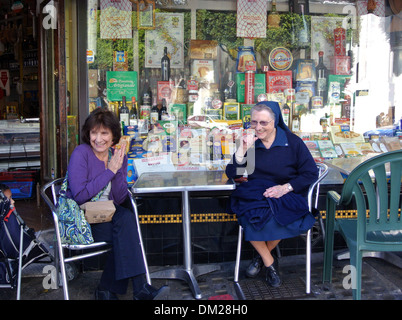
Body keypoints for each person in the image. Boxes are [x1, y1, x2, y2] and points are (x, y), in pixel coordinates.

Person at [65, 108, 169, 300]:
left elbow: (119, 198)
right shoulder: (82, 153)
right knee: (126, 229)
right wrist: (110, 171)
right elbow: (80, 196)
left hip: (107, 214)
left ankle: (111, 290)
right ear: (88, 134)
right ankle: (137, 290)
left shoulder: (117, 155)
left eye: (104, 133)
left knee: (126, 222)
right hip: (82, 219)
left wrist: (119, 168)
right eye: (94, 132)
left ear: (113, 136)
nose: (98, 138)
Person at [225, 101, 318, 287]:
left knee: (284, 215)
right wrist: (242, 150)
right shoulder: (249, 143)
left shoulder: (292, 142)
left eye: (263, 123)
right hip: (255, 193)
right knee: (252, 216)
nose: (258, 128)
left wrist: (285, 188)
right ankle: (270, 264)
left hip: (286, 192)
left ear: (275, 122)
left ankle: (260, 258)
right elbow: (233, 174)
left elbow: (310, 173)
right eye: (254, 122)